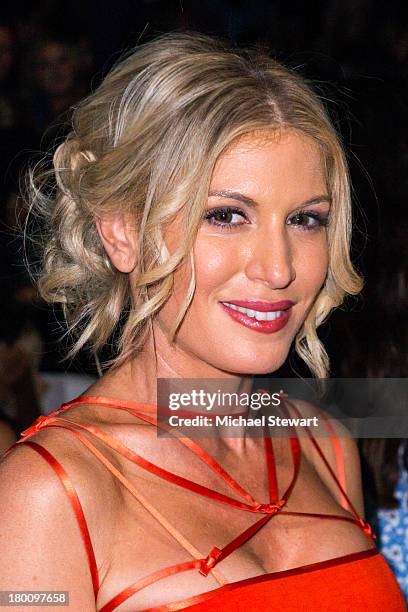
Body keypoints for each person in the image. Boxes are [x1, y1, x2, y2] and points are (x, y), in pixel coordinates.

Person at [0, 32, 404, 611]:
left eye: (306, 220)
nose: (278, 267)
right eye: (226, 215)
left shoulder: (326, 446)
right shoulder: (49, 492)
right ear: (123, 232)